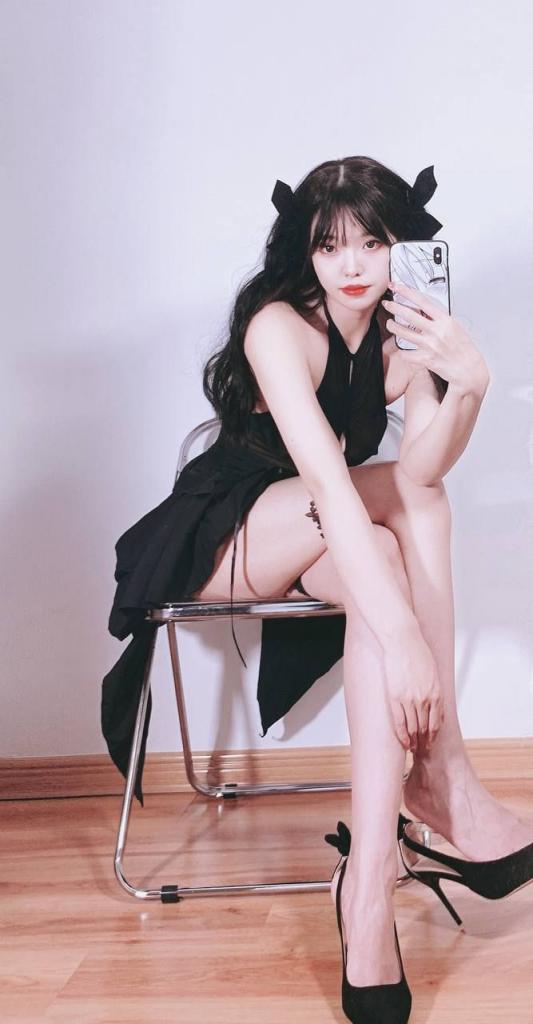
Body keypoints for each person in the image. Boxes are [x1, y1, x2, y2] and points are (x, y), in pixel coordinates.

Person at [102, 156, 533, 1023]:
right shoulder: (277, 327)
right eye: (330, 245)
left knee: (409, 517)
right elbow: (331, 489)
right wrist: (407, 642)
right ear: (304, 250)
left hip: (323, 528)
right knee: (383, 559)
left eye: (372, 242)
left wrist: (470, 385)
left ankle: (367, 886)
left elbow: (421, 472)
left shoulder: (400, 336)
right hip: (224, 536)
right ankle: (442, 775)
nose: (352, 265)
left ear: (398, 245)